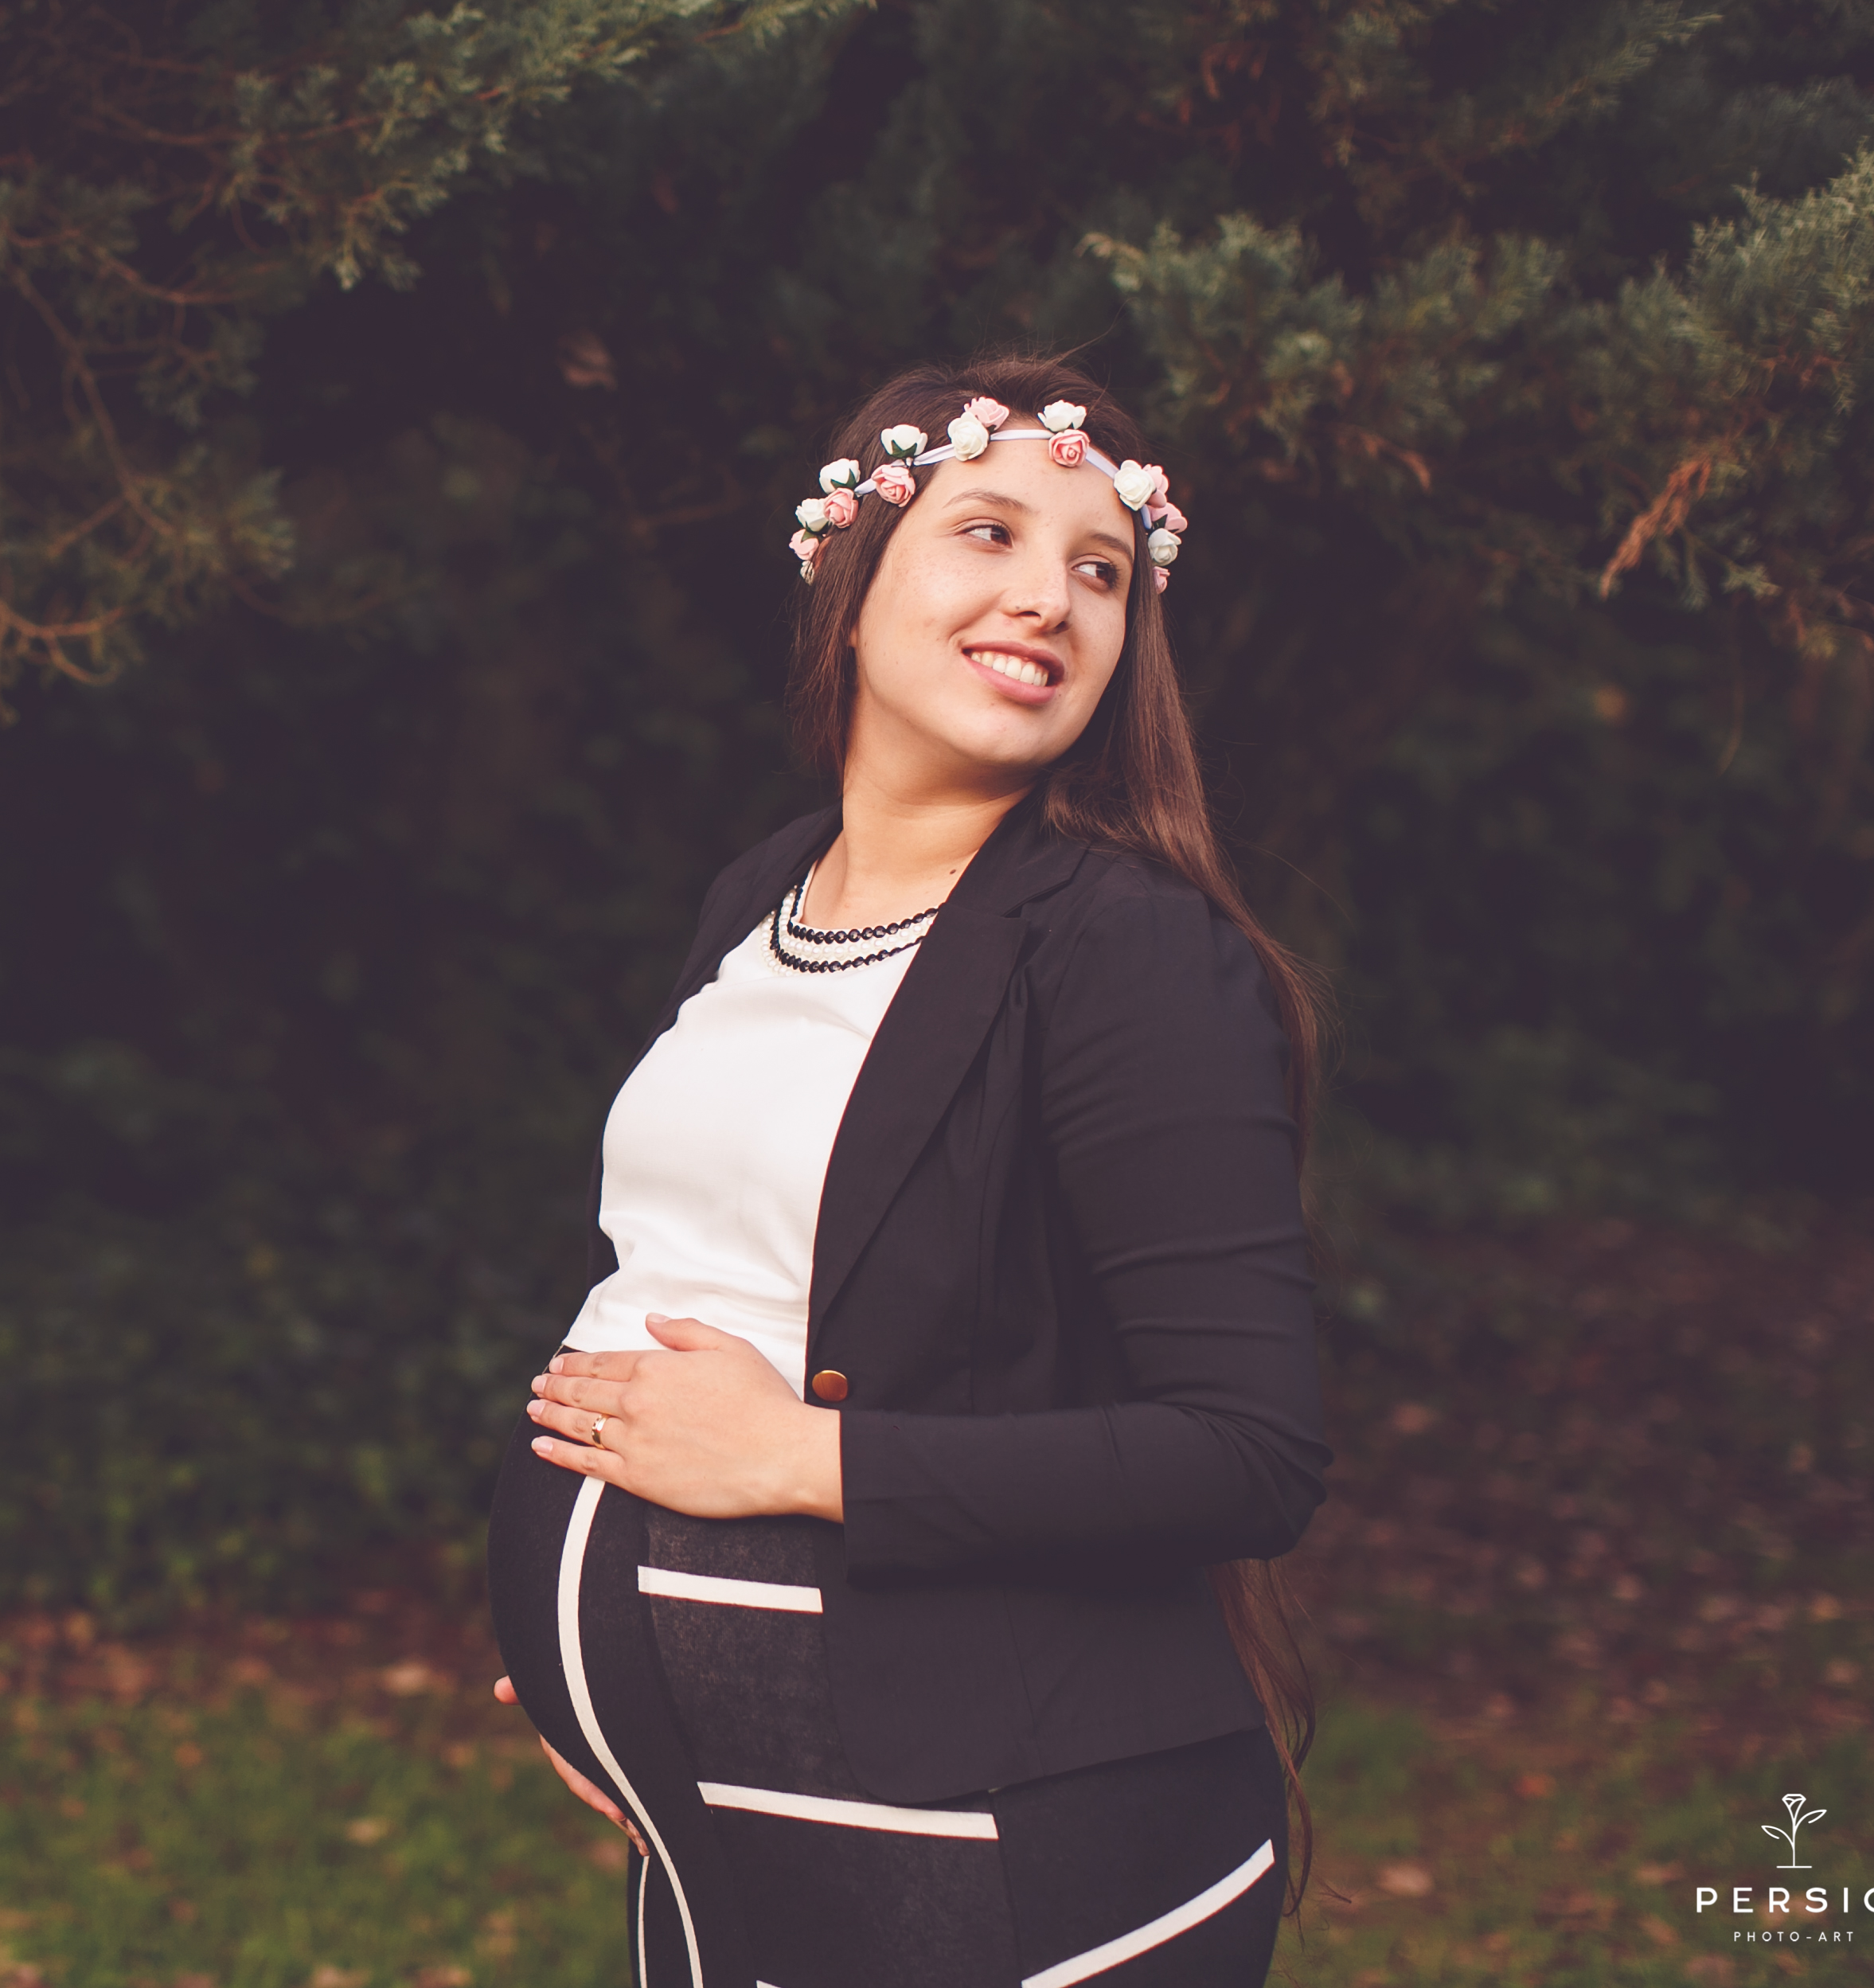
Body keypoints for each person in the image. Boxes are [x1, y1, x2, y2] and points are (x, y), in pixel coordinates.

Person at [482, 356, 1330, 1988]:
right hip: (720, 1825)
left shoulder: (1129, 950)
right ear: (851, 587)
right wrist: (593, 1641)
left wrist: (803, 1460)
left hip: (1003, 1832)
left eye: (1101, 570)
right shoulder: (759, 895)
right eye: (988, 532)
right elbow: (691, 1271)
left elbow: (1247, 1455)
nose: (1050, 598)